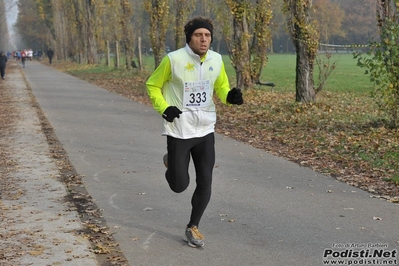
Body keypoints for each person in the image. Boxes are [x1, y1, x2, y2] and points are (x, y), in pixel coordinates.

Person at [146, 17, 243, 248]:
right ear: (189, 37)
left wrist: (230, 97)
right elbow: (152, 85)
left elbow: (219, 87)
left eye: (207, 35)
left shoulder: (216, 60)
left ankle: (193, 227)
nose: (203, 39)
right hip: (180, 129)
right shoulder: (174, 60)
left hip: (205, 129)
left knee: (205, 181)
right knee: (179, 185)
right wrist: (164, 108)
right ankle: (171, 162)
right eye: (199, 34)